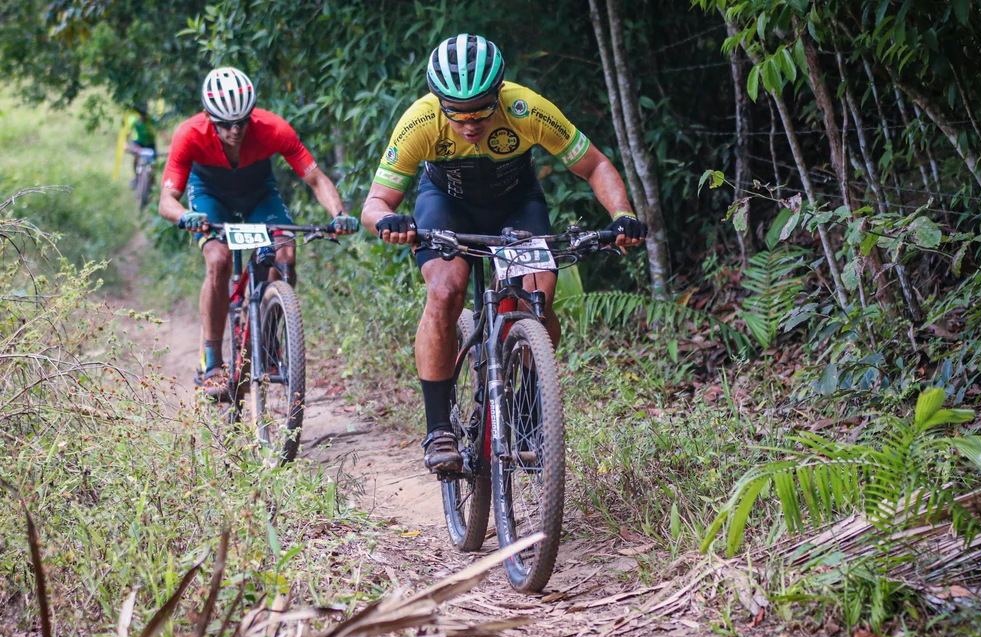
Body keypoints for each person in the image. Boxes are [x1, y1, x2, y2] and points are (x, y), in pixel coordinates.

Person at [360, 34, 648, 472]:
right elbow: (374, 203)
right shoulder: (419, 122)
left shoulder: (527, 108)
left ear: (499, 94)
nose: (470, 124)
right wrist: (388, 221)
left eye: (480, 112)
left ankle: (532, 408)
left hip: (516, 204)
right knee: (444, 290)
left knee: (537, 299)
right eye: (457, 116)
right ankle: (438, 428)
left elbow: (595, 165)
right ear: (439, 103)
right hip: (446, 205)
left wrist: (622, 214)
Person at [158, 66, 358, 398]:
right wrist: (186, 216)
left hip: (259, 195)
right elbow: (167, 201)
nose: (235, 130)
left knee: (285, 254)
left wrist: (338, 214)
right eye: (225, 124)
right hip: (210, 198)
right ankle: (212, 364)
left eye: (242, 122)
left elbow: (317, 179)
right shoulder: (189, 134)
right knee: (219, 259)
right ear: (209, 117)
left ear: (252, 114)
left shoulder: (273, 128)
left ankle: (269, 337)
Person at [124, 103, 157, 189]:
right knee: (136, 157)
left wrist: (169, 142)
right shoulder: (134, 120)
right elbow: (127, 132)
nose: (143, 117)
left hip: (150, 143)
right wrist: (125, 143)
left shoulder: (152, 120)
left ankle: (153, 185)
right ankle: (135, 176)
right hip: (139, 142)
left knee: (153, 164)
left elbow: (162, 131)